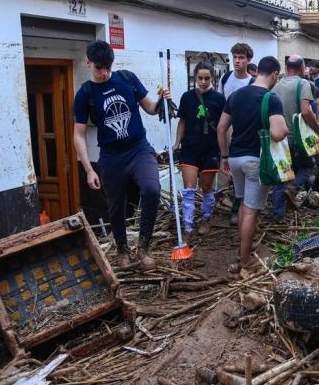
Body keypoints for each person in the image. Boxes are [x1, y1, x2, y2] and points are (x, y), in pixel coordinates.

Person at [73, 40, 170, 269]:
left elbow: (150, 108)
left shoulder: (127, 78)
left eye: (108, 66)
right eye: (99, 67)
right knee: (116, 207)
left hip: (138, 148)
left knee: (151, 189)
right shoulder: (84, 94)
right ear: (88, 63)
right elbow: (78, 135)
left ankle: (143, 248)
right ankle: (122, 249)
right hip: (111, 156)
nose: (105, 72)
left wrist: (162, 102)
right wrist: (88, 169)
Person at [217, 56, 287, 277]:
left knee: (242, 206)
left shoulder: (236, 95)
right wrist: (274, 128)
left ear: (258, 72)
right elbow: (278, 133)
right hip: (255, 161)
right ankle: (245, 261)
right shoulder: (271, 98)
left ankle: (242, 251)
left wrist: (224, 156)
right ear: (274, 74)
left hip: (235, 158)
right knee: (251, 212)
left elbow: (221, 128)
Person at [271, 55, 319, 222]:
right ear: (302, 68)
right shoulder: (302, 84)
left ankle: (277, 216)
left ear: (287, 68)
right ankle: (293, 188)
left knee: (283, 175)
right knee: (309, 165)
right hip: (296, 139)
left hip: (279, 139)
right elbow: (306, 111)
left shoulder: (275, 86)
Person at [175, 61, 226, 240]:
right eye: (200, 78)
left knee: (206, 188)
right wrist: (176, 144)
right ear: (195, 78)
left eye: (207, 78)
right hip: (189, 148)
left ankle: (206, 219)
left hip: (211, 150)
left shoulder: (220, 100)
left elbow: (224, 127)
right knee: (189, 189)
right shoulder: (186, 97)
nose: (203, 82)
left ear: (213, 78)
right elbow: (182, 122)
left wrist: (225, 151)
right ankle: (188, 227)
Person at [220, 43, 255, 225]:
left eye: (241, 57)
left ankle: (239, 208)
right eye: (235, 57)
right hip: (225, 128)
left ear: (248, 60)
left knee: (241, 173)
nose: (237, 61)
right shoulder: (225, 78)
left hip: (242, 132)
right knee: (228, 172)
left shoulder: (251, 82)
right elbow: (220, 103)